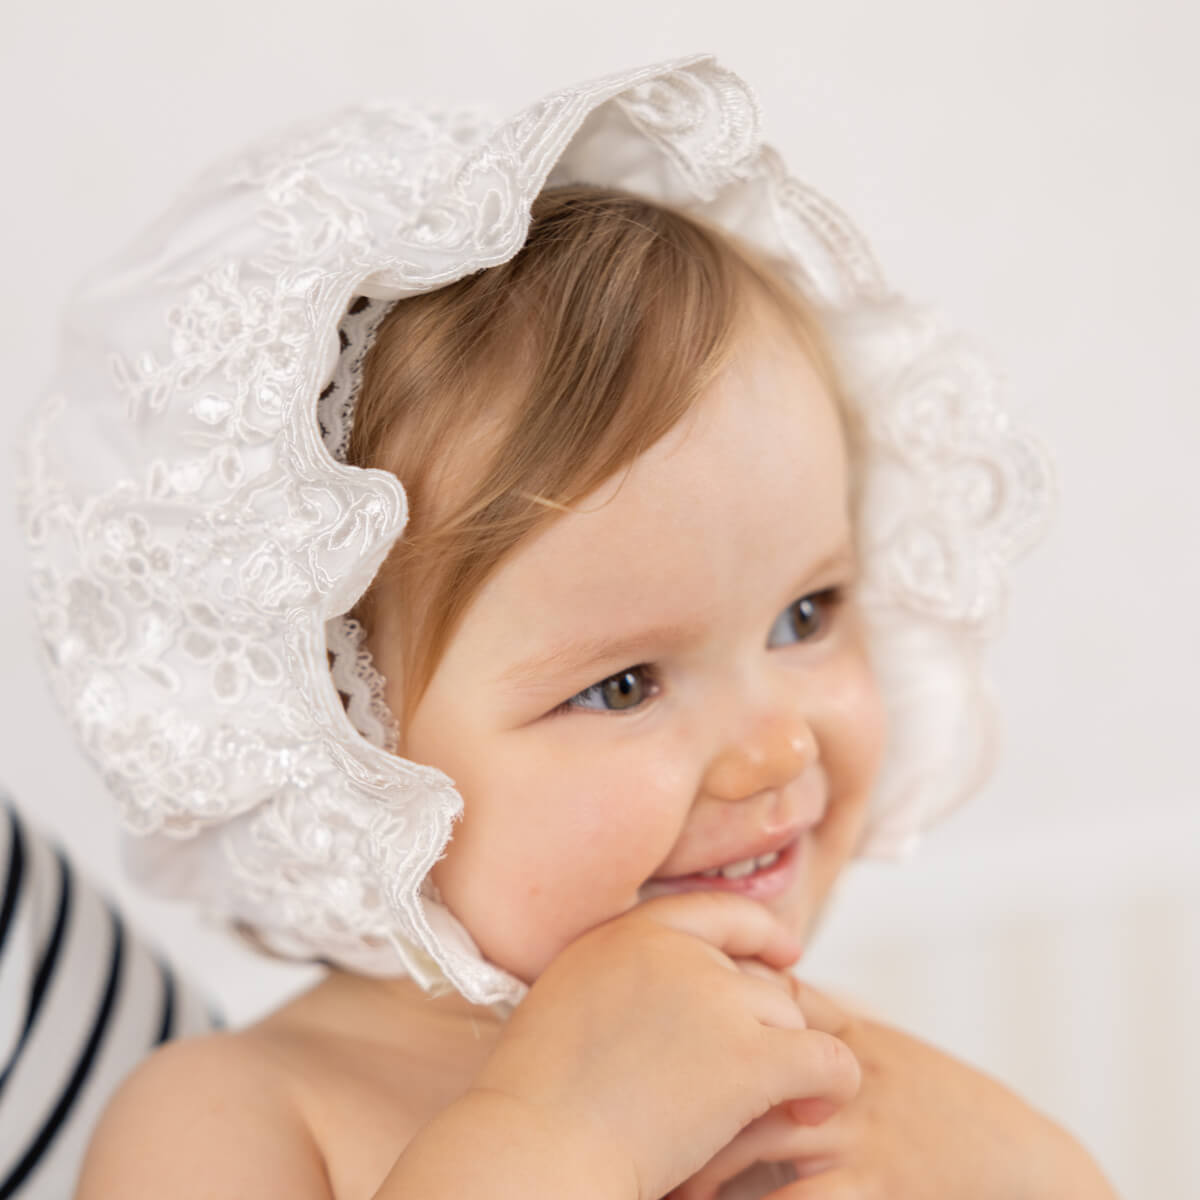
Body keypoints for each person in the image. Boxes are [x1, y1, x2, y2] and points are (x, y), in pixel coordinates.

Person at [18, 55, 1118, 1198]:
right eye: (624, 685)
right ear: (339, 745)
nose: (779, 748)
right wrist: (570, 1141)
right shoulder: (234, 1116)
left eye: (806, 614)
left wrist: (1024, 1165)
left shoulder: (836, 1078)